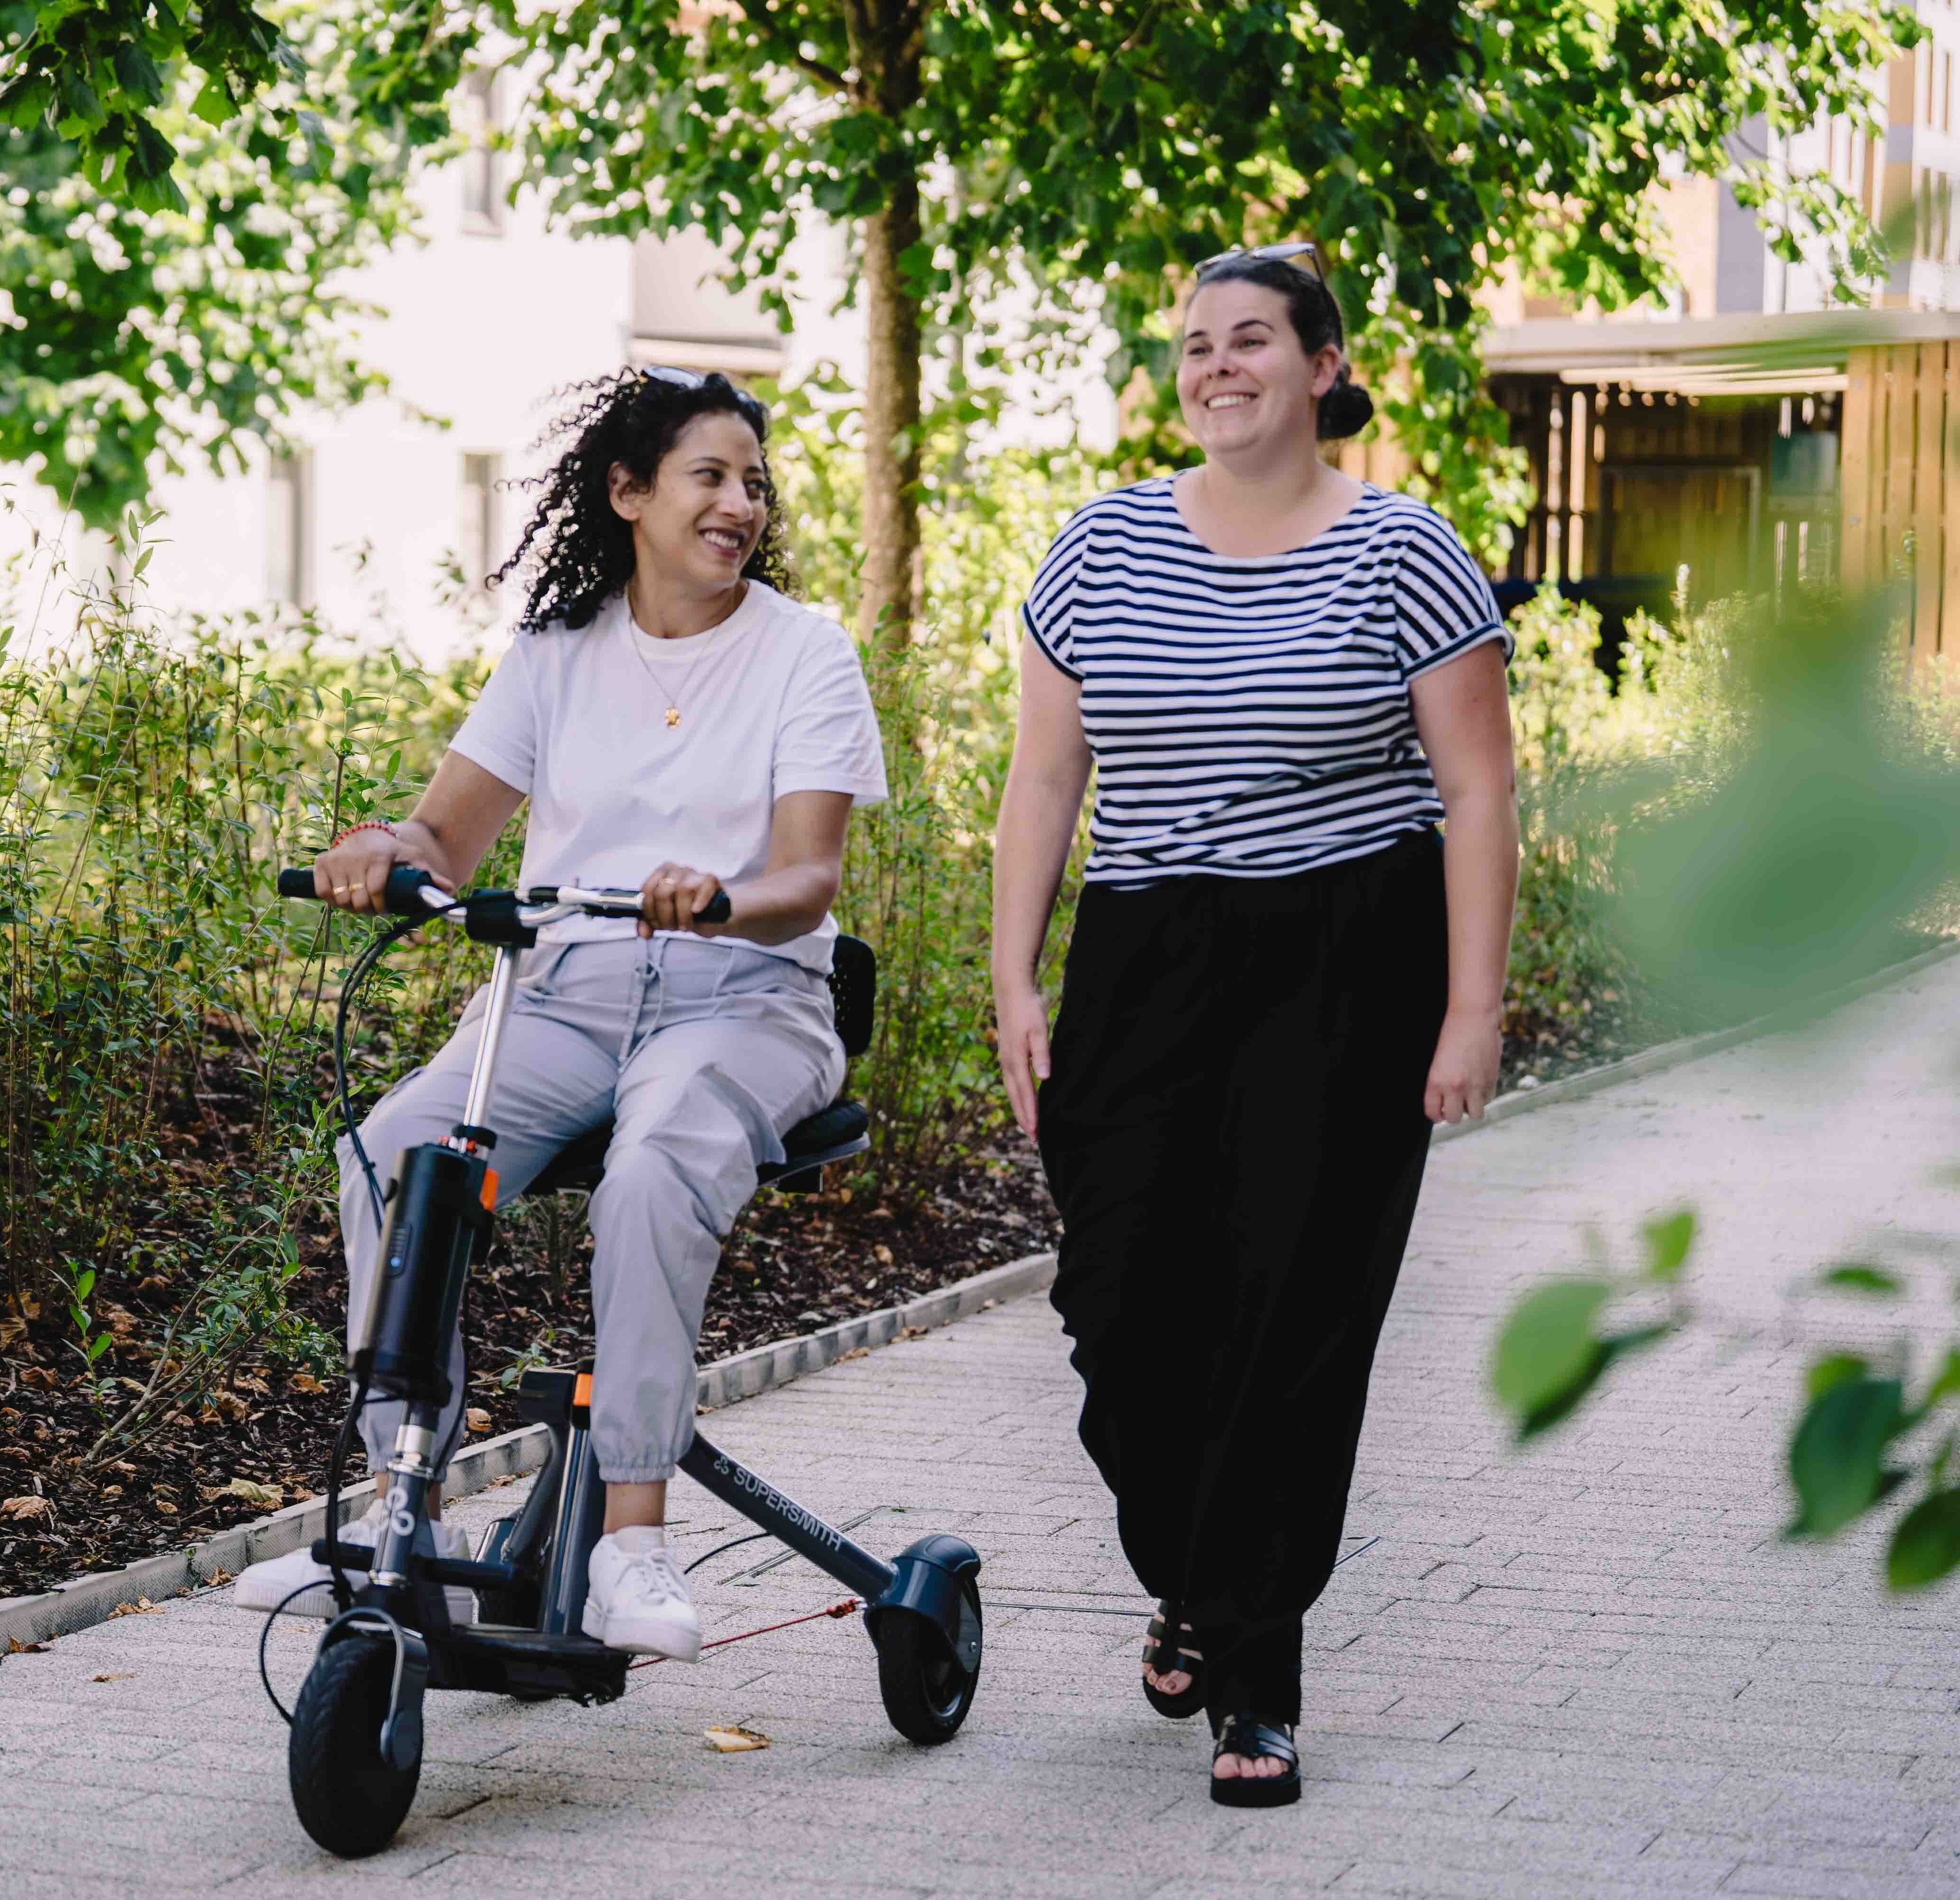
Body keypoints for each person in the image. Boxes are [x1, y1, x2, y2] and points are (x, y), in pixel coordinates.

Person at [233, 365, 887, 1661]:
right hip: (567, 996)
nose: (741, 505)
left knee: (652, 1173)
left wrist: (719, 899)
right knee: (391, 1155)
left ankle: (633, 1543)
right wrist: (380, 848)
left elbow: (809, 877)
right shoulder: (555, 655)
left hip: (745, 996)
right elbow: (445, 836)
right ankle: (403, 1520)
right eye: (710, 478)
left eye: (754, 484)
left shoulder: (804, 653)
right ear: (630, 493)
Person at [988, 244, 1518, 1805]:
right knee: (1119, 1305)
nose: (1219, 365)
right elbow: (1044, 779)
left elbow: (1480, 793)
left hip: (1348, 960)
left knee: (1291, 1316)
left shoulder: (1407, 551)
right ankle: (1200, 1577)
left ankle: (1255, 1671)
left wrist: (1471, 1010)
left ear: (1324, 367)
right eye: (1197, 344)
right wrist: (1014, 981)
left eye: (1254, 340)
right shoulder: (1101, 548)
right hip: (1144, 955)